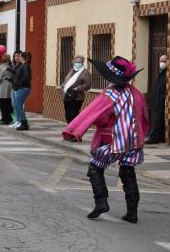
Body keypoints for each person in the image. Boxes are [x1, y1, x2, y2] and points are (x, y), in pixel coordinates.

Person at [63, 56, 148, 224]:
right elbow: (143, 114)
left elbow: (91, 113)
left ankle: (101, 202)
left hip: (113, 139)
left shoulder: (109, 94)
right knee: (128, 172)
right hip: (134, 138)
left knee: (95, 167)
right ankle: (132, 212)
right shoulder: (135, 92)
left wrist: (73, 130)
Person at [61, 55, 92, 124]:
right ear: (73, 62)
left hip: (77, 97)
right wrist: (63, 87)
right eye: (76, 61)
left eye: (79, 62)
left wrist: (78, 88)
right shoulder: (71, 71)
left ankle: (75, 128)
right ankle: (69, 128)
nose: (78, 63)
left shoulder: (85, 73)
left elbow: (88, 85)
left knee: (73, 114)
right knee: (68, 114)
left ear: (82, 63)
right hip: (67, 95)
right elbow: (66, 81)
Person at [145, 54, 167, 144]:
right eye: (161, 61)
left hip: (159, 103)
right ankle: (151, 135)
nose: (162, 63)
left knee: (157, 121)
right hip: (154, 103)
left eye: (164, 61)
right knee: (153, 120)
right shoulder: (160, 74)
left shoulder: (166, 75)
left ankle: (154, 137)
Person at [12, 51, 32, 131]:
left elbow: (27, 77)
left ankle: (24, 123)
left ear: (22, 57)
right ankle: (22, 122)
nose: (18, 58)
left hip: (23, 88)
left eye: (19, 56)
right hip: (20, 88)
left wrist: (19, 83)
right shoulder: (23, 66)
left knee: (19, 105)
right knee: (17, 105)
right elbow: (18, 75)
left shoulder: (25, 66)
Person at [0, 53, 14, 125]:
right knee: (8, 103)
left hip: (3, 86)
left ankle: (4, 119)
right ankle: (9, 118)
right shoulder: (11, 65)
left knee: (2, 103)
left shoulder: (2, 66)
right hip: (10, 85)